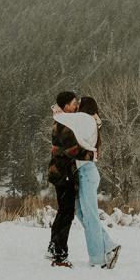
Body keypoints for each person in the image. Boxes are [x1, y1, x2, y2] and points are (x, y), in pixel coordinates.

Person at [70, 96, 121, 269]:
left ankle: (97, 259)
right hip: (84, 172)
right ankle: (108, 245)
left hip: (86, 172)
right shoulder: (90, 123)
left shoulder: (87, 123)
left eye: (78, 106)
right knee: (80, 212)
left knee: (90, 216)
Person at [46, 91, 82, 267]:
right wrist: (90, 151)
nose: (76, 106)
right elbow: (73, 150)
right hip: (64, 173)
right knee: (67, 213)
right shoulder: (65, 125)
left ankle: (54, 246)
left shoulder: (59, 120)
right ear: (66, 105)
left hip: (57, 172)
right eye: (74, 103)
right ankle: (60, 254)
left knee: (62, 211)